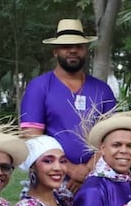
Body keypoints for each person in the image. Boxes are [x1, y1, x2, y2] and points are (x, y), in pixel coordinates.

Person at [19, 19, 117, 193]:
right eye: (66, 46)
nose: (73, 50)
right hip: (50, 181)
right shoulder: (39, 87)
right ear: (55, 51)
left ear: (86, 50)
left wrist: (87, 170)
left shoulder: (102, 90)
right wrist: (70, 169)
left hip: (96, 180)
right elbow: (32, 137)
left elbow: (113, 137)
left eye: (79, 46)